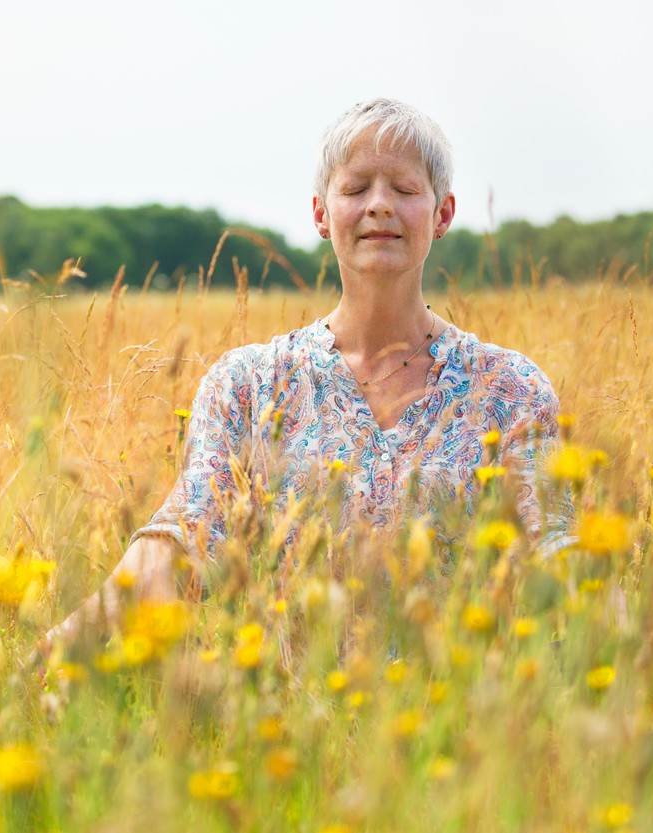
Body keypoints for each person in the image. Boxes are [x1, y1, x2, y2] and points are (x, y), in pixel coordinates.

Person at [40, 97, 574, 656]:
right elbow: (182, 540)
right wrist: (64, 645)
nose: (379, 206)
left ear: (443, 214)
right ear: (321, 213)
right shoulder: (248, 385)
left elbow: (560, 550)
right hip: (286, 730)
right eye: (355, 188)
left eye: (405, 189)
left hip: (459, 727)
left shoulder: (510, 390)